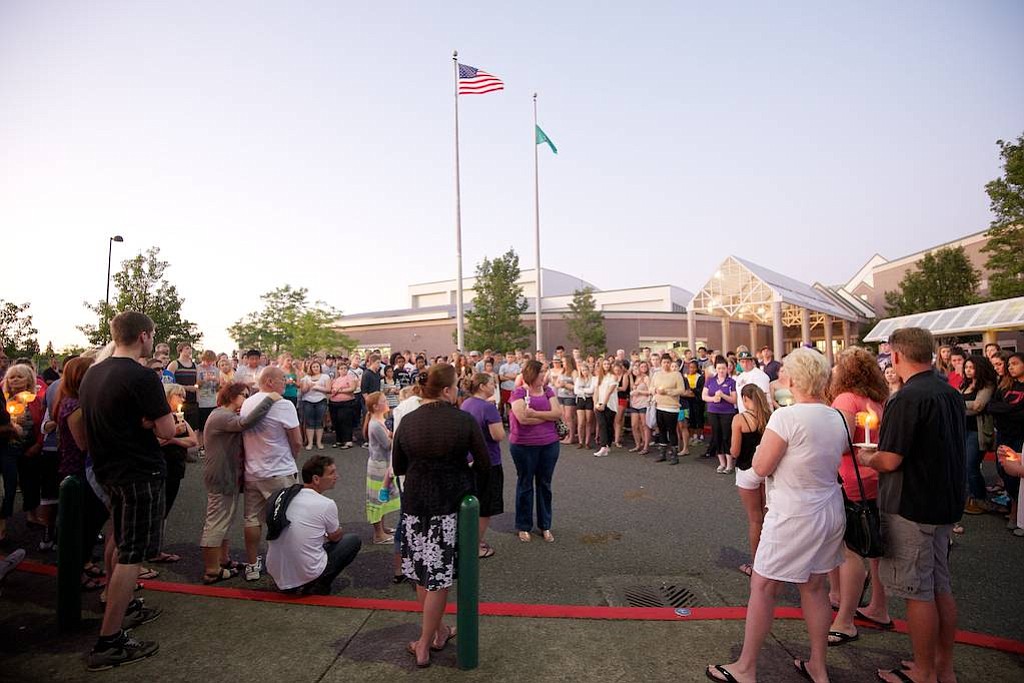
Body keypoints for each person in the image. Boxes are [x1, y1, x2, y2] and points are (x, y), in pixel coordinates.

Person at [706, 348, 848, 683]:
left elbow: (760, 465)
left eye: (783, 371)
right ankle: (818, 666)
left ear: (795, 379)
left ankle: (746, 667)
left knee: (764, 585)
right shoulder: (836, 416)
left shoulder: (787, 417)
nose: (779, 375)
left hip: (793, 512)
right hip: (829, 508)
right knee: (815, 586)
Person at [856, 327, 966, 683]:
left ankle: (922, 671)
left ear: (898, 356)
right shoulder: (949, 392)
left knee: (918, 592)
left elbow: (890, 460)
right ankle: (941, 666)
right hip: (943, 501)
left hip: (912, 504)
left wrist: (868, 459)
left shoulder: (906, 398)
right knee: (939, 587)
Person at [79, 311, 177, 670]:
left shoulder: (94, 372)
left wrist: (145, 421)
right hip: (138, 471)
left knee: (118, 540)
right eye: (152, 335)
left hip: (107, 469)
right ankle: (110, 640)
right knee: (132, 554)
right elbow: (168, 430)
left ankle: (121, 605)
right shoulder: (141, 376)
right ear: (144, 336)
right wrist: (154, 420)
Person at [392, 363, 490, 668]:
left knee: (422, 572)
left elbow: (398, 466)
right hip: (448, 505)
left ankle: (439, 631)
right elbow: (485, 463)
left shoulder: (407, 421)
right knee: (439, 577)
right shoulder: (462, 420)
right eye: (456, 385)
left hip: (414, 503)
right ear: (447, 390)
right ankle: (425, 642)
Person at [824, 347, 892, 647]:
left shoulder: (845, 399)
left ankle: (845, 618)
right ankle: (879, 606)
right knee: (875, 548)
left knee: (850, 550)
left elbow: (841, 443)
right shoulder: (879, 400)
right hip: (876, 477)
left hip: (851, 478)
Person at [199, 382, 279, 584]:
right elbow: (245, 423)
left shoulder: (222, 416)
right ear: (232, 396)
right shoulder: (222, 416)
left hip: (226, 476)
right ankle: (212, 569)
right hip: (221, 476)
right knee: (216, 521)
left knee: (224, 519)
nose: (246, 399)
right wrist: (270, 399)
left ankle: (223, 560)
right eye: (244, 395)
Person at [265, 455, 362, 595]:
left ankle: (292, 582)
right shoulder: (326, 504)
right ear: (316, 479)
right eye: (331, 473)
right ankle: (318, 584)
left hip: (276, 571)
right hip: (307, 571)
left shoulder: (286, 496)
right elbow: (335, 537)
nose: (337, 476)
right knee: (352, 541)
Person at [240, 367, 302, 582]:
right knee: (286, 517)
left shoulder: (247, 402)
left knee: (252, 519)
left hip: (253, 470)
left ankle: (252, 564)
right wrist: (293, 456)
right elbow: (297, 440)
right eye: (281, 379)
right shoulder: (283, 405)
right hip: (279, 470)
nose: (286, 382)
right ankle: (285, 563)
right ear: (268, 381)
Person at [509, 360, 563, 542]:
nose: (545, 375)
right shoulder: (518, 392)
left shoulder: (548, 391)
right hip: (524, 445)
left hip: (549, 444)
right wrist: (547, 418)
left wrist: (535, 414)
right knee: (525, 484)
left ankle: (545, 525)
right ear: (533, 373)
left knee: (545, 484)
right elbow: (522, 418)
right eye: (542, 372)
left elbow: (558, 413)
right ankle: (523, 526)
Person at [461, 373, 506, 558]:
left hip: (469, 459)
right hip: (488, 460)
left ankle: (466, 540)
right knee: (485, 506)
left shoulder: (466, 404)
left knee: (471, 501)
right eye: (491, 384)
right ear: (481, 386)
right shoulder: (488, 408)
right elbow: (498, 435)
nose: (493, 386)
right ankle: (474, 545)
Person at [152, 383, 198, 562]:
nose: (183, 400)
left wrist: (174, 440)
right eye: (179, 396)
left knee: (166, 507)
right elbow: (154, 442)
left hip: (176, 467)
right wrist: (171, 436)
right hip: (161, 467)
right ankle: (152, 550)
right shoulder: (160, 419)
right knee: (158, 508)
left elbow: (193, 441)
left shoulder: (180, 418)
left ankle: (157, 547)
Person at [731, 384, 770, 578]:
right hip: (766, 469)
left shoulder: (740, 419)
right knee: (767, 517)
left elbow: (735, 451)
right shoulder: (769, 416)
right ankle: (770, 558)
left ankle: (757, 564)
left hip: (747, 470)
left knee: (755, 519)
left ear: (746, 399)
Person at [987, 352, 1024, 533]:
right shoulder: (1004, 385)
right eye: (1009, 364)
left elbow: (1021, 414)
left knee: (1017, 474)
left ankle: (1016, 512)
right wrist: (1011, 409)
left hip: (1019, 436)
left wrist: (1007, 410)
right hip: (1003, 433)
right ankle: (1012, 504)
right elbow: (991, 406)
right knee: (1002, 469)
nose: (1010, 367)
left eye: (1015, 363)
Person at [961, 355, 998, 516]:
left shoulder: (987, 385)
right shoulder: (966, 384)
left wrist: (956, 403)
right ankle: (972, 498)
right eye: (966, 367)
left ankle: (980, 498)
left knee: (971, 465)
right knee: (966, 466)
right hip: (964, 430)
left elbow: (978, 406)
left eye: (971, 367)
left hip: (978, 432)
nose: (968, 370)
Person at [363, 391, 401, 543]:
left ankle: (382, 529)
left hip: (381, 463)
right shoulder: (375, 424)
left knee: (380, 498)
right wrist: (397, 435)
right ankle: (378, 534)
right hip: (378, 465)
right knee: (376, 499)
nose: (387, 403)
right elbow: (387, 445)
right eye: (384, 401)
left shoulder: (379, 421)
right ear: (375, 406)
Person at [703, 358, 738, 473]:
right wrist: (713, 398)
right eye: (719, 368)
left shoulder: (731, 382)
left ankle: (729, 464)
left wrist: (723, 395)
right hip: (713, 411)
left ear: (727, 369)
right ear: (716, 369)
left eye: (723, 368)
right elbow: (704, 396)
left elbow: (734, 400)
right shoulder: (710, 381)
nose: (721, 370)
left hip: (727, 412)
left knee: (726, 436)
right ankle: (721, 463)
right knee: (716, 435)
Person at [650, 355, 686, 464]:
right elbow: (650, 387)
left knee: (672, 431)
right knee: (661, 430)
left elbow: (681, 390)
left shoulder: (676, 375)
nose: (666, 364)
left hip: (671, 407)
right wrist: (656, 390)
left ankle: (674, 454)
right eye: (664, 362)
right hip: (659, 405)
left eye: (668, 362)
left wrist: (668, 391)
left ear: (670, 363)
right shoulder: (656, 375)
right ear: (661, 363)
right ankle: (662, 453)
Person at [166, 343, 200, 429]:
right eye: (187, 348)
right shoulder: (174, 364)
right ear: (180, 350)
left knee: (193, 427)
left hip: (193, 401)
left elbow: (198, 381)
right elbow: (168, 383)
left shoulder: (194, 365)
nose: (190, 350)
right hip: (178, 401)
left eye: (190, 348)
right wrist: (186, 388)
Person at [299, 360, 331, 450]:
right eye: (314, 367)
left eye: (317, 366)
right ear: (310, 368)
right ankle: (310, 443)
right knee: (310, 422)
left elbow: (328, 389)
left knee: (319, 421)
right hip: (308, 401)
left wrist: (318, 387)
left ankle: (319, 442)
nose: (316, 368)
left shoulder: (325, 377)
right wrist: (308, 386)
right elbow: (303, 391)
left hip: (321, 401)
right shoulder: (306, 378)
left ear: (320, 367)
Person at [329, 358, 359, 449]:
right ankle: (339, 440)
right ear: (338, 370)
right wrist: (335, 391)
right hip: (334, 403)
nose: (343, 370)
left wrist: (340, 390)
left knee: (345, 421)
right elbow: (331, 390)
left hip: (346, 402)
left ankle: (348, 441)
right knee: (336, 421)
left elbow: (352, 388)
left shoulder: (350, 377)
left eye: (345, 368)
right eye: (341, 368)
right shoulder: (335, 379)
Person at [593, 359, 619, 457]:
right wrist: (595, 404)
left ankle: (608, 445)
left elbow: (609, 391)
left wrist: (604, 404)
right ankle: (603, 446)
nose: (606, 365)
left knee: (608, 425)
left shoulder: (613, 377)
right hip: (599, 404)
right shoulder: (598, 378)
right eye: (604, 364)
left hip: (610, 405)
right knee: (602, 424)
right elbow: (596, 391)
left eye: (608, 364)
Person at [628, 361, 652, 454]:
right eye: (633, 369)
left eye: (636, 368)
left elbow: (650, 391)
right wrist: (630, 375)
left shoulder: (646, 378)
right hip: (634, 404)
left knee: (644, 425)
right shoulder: (635, 378)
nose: (635, 370)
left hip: (643, 404)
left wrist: (640, 392)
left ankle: (646, 446)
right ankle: (638, 445)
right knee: (634, 425)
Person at [573, 362, 596, 449]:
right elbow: (576, 391)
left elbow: (591, 390)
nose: (584, 372)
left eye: (585, 370)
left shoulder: (593, 379)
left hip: (589, 400)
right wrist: (584, 391)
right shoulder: (578, 379)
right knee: (581, 422)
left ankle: (587, 442)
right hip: (580, 400)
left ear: (588, 370)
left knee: (588, 421)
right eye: (582, 370)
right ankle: (580, 441)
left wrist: (582, 390)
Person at [684, 360, 705, 445]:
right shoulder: (686, 377)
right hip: (688, 400)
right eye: (690, 367)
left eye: (693, 367)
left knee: (698, 418)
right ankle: (692, 436)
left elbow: (700, 389)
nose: (691, 369)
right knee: (691, 418)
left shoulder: (699, 377)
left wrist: (692, 390)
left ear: (696, 368)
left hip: (697, 400)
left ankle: (699, 436)